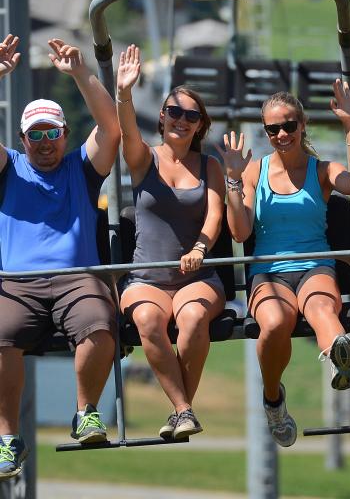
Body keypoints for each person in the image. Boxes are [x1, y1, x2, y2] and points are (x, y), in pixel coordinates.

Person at [217, 84, 350, 447]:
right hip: (269, 272)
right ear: (266, 132)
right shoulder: (255, 172)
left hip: (316, 264)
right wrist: (234, 182)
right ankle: (274, 398)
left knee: (319, 307)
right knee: (274, 323)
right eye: (273, 129)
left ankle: (339, 352)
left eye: (288, 125)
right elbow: (240, 232)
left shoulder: (321, 171)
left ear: (302, 125)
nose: (282, 134)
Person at [0, 35, 120, 478]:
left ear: (65, 135)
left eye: (53, 133)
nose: (45, 142)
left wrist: (82, 73)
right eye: (36, 135)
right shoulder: (9, 167)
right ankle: (8, 438)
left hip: (77, 278)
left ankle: (85, 412)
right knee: (0, 335)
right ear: (22, 139)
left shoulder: (80, 170)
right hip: (16, 282)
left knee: (100, 324)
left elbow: (111, 129)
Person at [116, 45, 226, 440]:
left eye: (191, 116)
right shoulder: (144, 158)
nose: (181, 120)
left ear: (200, 125)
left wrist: (199, 248)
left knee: (194, 318)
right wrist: (124, 92)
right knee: (147, 320)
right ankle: (184, 409)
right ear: (162, 118)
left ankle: (181, 411)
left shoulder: (209, 165)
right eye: (174, 112)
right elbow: (126, 131)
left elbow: (215, 213)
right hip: (146, 278)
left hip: (195, 277)